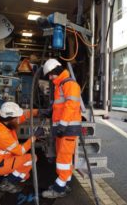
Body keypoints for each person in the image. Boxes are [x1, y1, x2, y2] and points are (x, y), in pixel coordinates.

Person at [41, 59, 82, 198]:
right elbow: (60, 106)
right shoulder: (60, 86)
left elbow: (71, 106)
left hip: (67, 129)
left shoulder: (69, 84)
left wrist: (62, 125)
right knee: (64, 159)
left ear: (56, 71)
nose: (50, 78)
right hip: (63, 129)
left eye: (51, 74)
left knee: (63, 161)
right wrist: (50, 112)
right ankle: (64, 185)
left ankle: (58, 190)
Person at [0, 102, 44, 193]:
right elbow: (21, 151)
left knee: (25, 175)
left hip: (0, 160)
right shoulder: (3, 135)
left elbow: (23, 115)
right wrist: (34, 137)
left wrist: (38, 112)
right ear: (10, 119)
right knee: (32, 158)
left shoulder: (3, 122)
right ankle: (7, 183)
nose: (18, 120)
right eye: (16, 118)